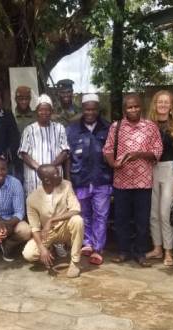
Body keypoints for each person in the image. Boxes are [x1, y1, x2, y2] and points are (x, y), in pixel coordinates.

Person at [103, 94, 162, 267]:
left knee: (141, 219)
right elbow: (107, 149)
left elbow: (157, 151)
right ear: (124, 109)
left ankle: (140, 252)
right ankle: (123, 251)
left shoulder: (150, 126)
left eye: (136, 106)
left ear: (141, 107)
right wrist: (113, 163)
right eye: (130, 107)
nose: (133, 109)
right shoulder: (116, 126)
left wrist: (138, 154)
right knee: (121, 218)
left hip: (143, 181)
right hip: (121, 180)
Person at [65, 93, 112, 265]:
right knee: (84, 214)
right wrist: (68, 179)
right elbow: (68, 157)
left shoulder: (108, 128)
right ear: (82, 109)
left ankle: (98, 249)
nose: (90, 112)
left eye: (93, 109)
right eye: (87, 109)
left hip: (102, 180)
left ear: (98, 110)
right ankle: (87, 243)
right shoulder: (72, 129)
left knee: (101, 215)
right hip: (80, 180)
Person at [145, 90, 173, 266]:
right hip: (151, 169)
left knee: (165, 212)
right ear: (155, 104)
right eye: (159, 102)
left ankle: (169, 251)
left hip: (169, 169)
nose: (162, 105)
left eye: (166, 102)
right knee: (153, 213)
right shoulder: (148, 124)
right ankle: (157, 248)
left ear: (171, 105)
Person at [22, 165, 84, 278]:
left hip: (65, 228)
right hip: (48, 233)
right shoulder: (32, 198)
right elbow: (34, 228)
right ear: (46, 180)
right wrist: (42, 248)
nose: (60, 175)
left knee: (77, 220)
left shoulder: (66, 185)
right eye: (56, 174)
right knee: (29, 254)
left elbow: (76, 210)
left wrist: (51, 220)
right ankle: (50, 249)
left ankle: (75, 262)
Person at [18, 94, 69, 195]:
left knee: (56, 206)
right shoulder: (29, 130)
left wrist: (50, 168)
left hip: (55, 174)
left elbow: (65, 151)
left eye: (47, 110)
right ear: (36, 112)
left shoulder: (59, 128)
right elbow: (24, 153)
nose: (44, 112)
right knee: (36, 206)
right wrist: (40, 169)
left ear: (52, 111)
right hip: (35, 176)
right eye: (41, 110)